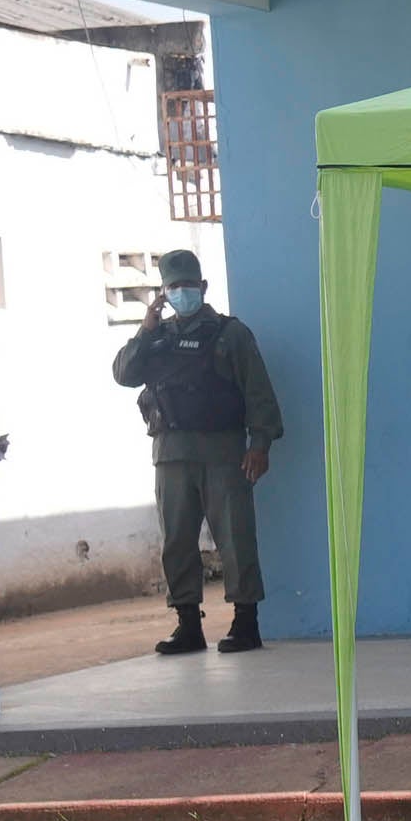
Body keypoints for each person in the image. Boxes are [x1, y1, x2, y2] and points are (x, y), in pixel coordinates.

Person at [112, 247, 283, 655]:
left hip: (223, 451)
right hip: (170, 453)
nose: (182, 292)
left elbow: (259, 392)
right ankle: (187, 624)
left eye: (189, 285)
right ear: (163, 292)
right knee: (177, 539)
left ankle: (246, 622)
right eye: (174, 287)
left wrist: (259, 444)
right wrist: (145, 330)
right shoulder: (157, 338)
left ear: (203, 287)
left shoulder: (230, 334)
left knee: (235, 536)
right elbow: (123, 375)